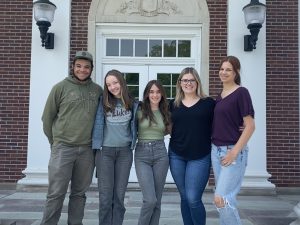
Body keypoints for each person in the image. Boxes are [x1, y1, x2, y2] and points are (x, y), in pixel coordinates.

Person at [40, 51, 103, 225]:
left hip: (87, 151)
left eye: (86, 67)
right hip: (63, 148)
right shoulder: (60, 88)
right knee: (56, 193)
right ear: (73, 67)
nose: (82, 70)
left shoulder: (97, 90)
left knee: (79, 193)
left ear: (91, 69)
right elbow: (47, 118)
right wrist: (55, 142)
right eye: (79, 66)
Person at [211, 55, 255, 225]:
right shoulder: (220, 95)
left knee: (222, 199)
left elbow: (250, 126)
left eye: (228, 69)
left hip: (232, 151)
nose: (224, 72)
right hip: (216, 151)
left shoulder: (241, 93)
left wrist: (234, 152)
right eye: (222, 69)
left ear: (236, 72)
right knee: (223, 200)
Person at [168, 67, 215, 225]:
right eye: (185, 80)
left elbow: (220, 124)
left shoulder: (208, 103)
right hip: (176, 155)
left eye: (191, 80)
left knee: (193, 198)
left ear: (197, 82)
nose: (188, 83)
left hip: (200, 156)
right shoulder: (173, 104)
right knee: (184, 197)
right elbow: (167, 127)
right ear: (179, 83)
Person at [92, 69, 139, 225]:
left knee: (119, 196)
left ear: (122, 82)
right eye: (108, 84)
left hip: (125, 153)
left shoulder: (133, 103)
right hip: (105, 152)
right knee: (105, 197)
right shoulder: (102, 102)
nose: (112, 87)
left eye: (115, 82)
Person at [135, 80, 171, 225]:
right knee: (149, 199)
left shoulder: (167, 111)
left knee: (157, 200)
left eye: (158, 92)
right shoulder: (139, 110)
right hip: (142, 154)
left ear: (162, 94)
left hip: (160, 154)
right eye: (151, 92)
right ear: (147, 94)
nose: (155, 95)